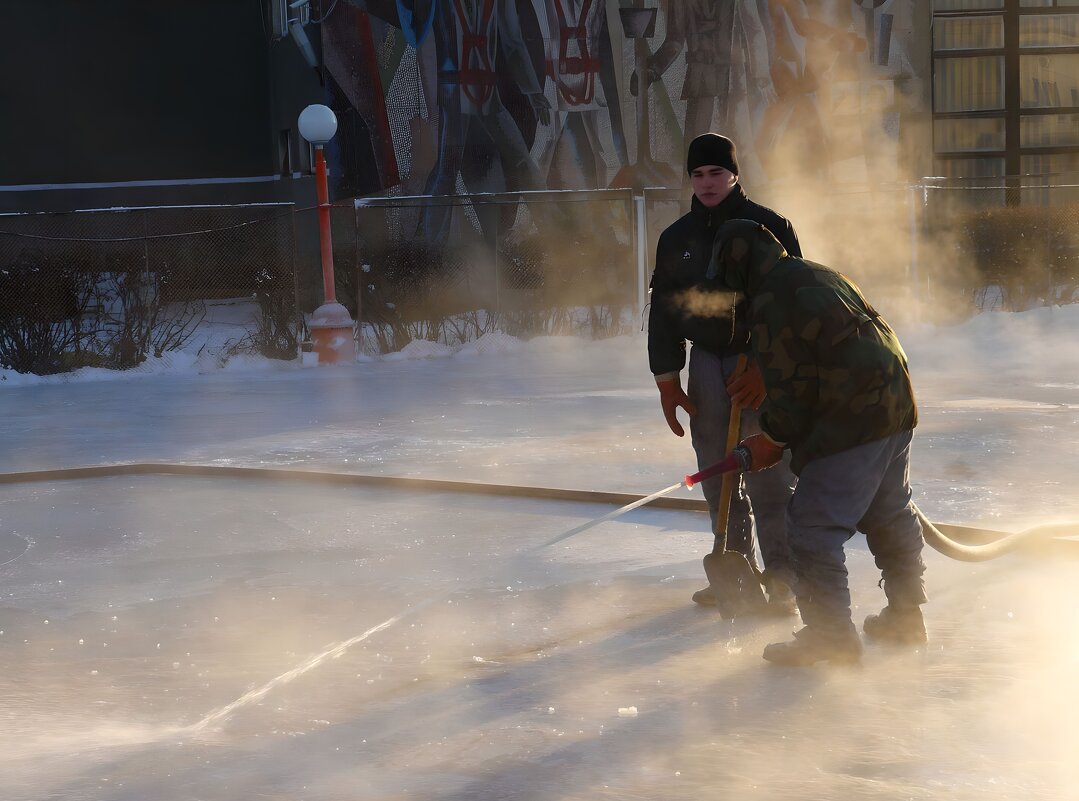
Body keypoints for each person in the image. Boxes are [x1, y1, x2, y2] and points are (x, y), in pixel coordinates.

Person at [709, 218, 927, 666]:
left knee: (810, 526)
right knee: (889, 512)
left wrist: (771, 438)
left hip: (853, 415)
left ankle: (830, 637)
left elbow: (792, 388)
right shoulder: (818, 273)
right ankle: (907, 616)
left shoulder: (773, 298)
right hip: (895, 401)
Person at [646, 133, 800, 614]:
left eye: (717, 173)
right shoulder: (677, 238)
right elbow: (665, 312)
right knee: (716, 469)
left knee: (769, 474)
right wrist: (668, 378)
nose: (707, 183)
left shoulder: (769, 226)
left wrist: (764, 365)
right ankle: (733, 566)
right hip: (707, 364)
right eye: (698, 174)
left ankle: (783, 575)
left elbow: (795, 304)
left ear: (734, 174)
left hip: (763, 365)